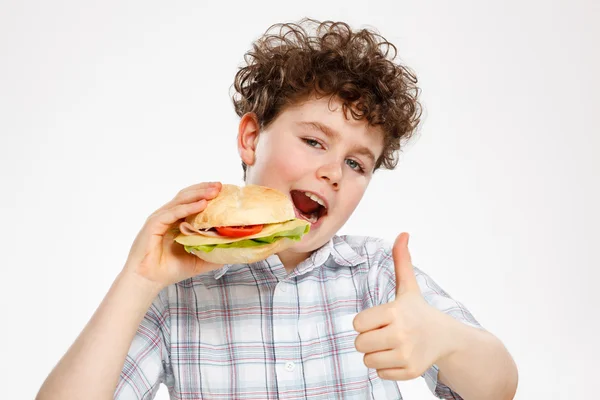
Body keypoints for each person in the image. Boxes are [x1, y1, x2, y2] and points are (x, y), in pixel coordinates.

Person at [36, 18, 518, 400]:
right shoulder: (177, 294)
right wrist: (137, 281)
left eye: (355, 163)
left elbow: (498, 388)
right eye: (313, 141)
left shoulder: (376, 274)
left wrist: (447, 339)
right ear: (250, 139)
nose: (333, 172)